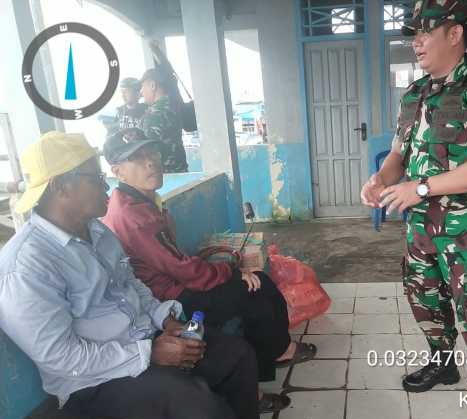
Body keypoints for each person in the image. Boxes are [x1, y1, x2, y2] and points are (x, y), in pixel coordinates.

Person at [0, 131, 296, 419]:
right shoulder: (27, 265)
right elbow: (60, 357)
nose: (107, 186)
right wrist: (150, 353)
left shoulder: (96, 231)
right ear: (62, 187)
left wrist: (166, 320)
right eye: (96, 178)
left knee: (235, 356)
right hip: (94, 379)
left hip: (145, 338)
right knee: (195, 396)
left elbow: (133, 287)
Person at [361, 0, 467, 419]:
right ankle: (444, 363)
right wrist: (380, 181)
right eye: (413, 32)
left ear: (456, 34)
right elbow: (398, 156)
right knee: (424, 298)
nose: (416, 41)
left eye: (426, 31)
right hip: (421, 229)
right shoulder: (413, 95)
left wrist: (423, 188)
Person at [100, 128, 317, 399]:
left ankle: (274, 354)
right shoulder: (134, 215)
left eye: (152, 153)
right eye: (137, 159)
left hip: (176, 286)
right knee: (256, 289)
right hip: (173, 301)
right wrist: (232, 272)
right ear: (117, 171)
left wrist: (230, 273)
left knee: (257, 283)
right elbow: (185, 270)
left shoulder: (139, 201)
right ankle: (274, 358)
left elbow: (176, 262)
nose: (150, 162)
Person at [139, 68, 188, 173]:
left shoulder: (153, 114)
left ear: (152, 85)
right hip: (181, 169)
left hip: (164, 176)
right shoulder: (174, 105)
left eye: (143, 87)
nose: (141, 91)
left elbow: (147, 151)